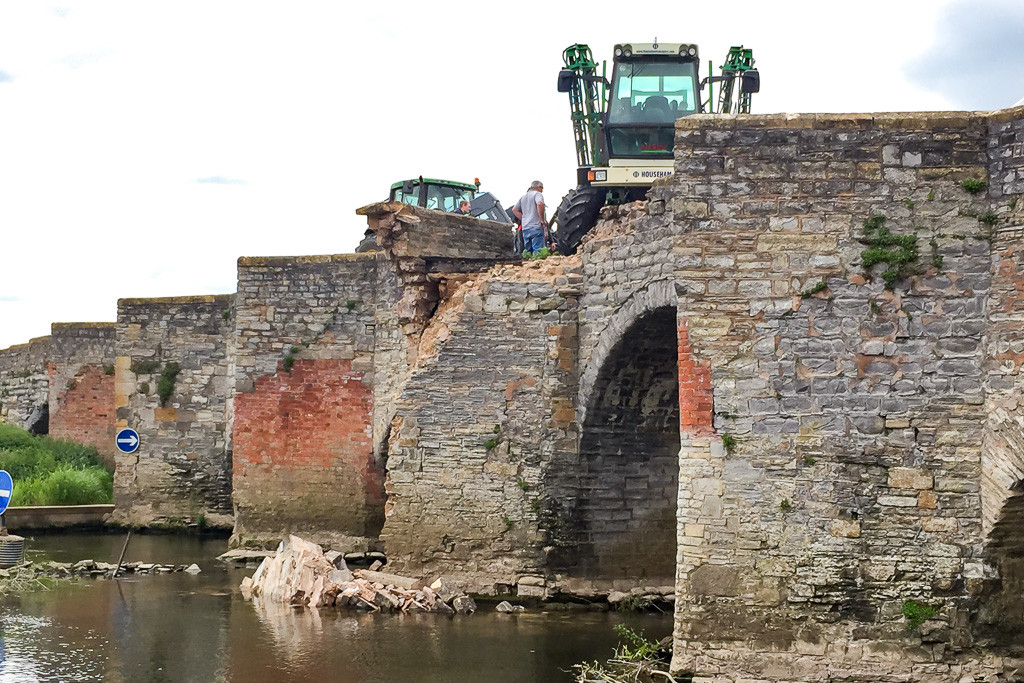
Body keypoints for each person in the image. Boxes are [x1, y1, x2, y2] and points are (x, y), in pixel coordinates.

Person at [512, 180, 546, 254]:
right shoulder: (537, 194)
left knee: (528, 252)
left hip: (526, 228)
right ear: (538, 187)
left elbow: (514, 209)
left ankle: (530, 264)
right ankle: (537, 264)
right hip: (536, 226)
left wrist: (524, 218)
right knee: (538, 251)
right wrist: (542, 220)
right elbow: (540, 204)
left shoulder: (523, 197)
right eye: (542, 188)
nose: (542, 190)